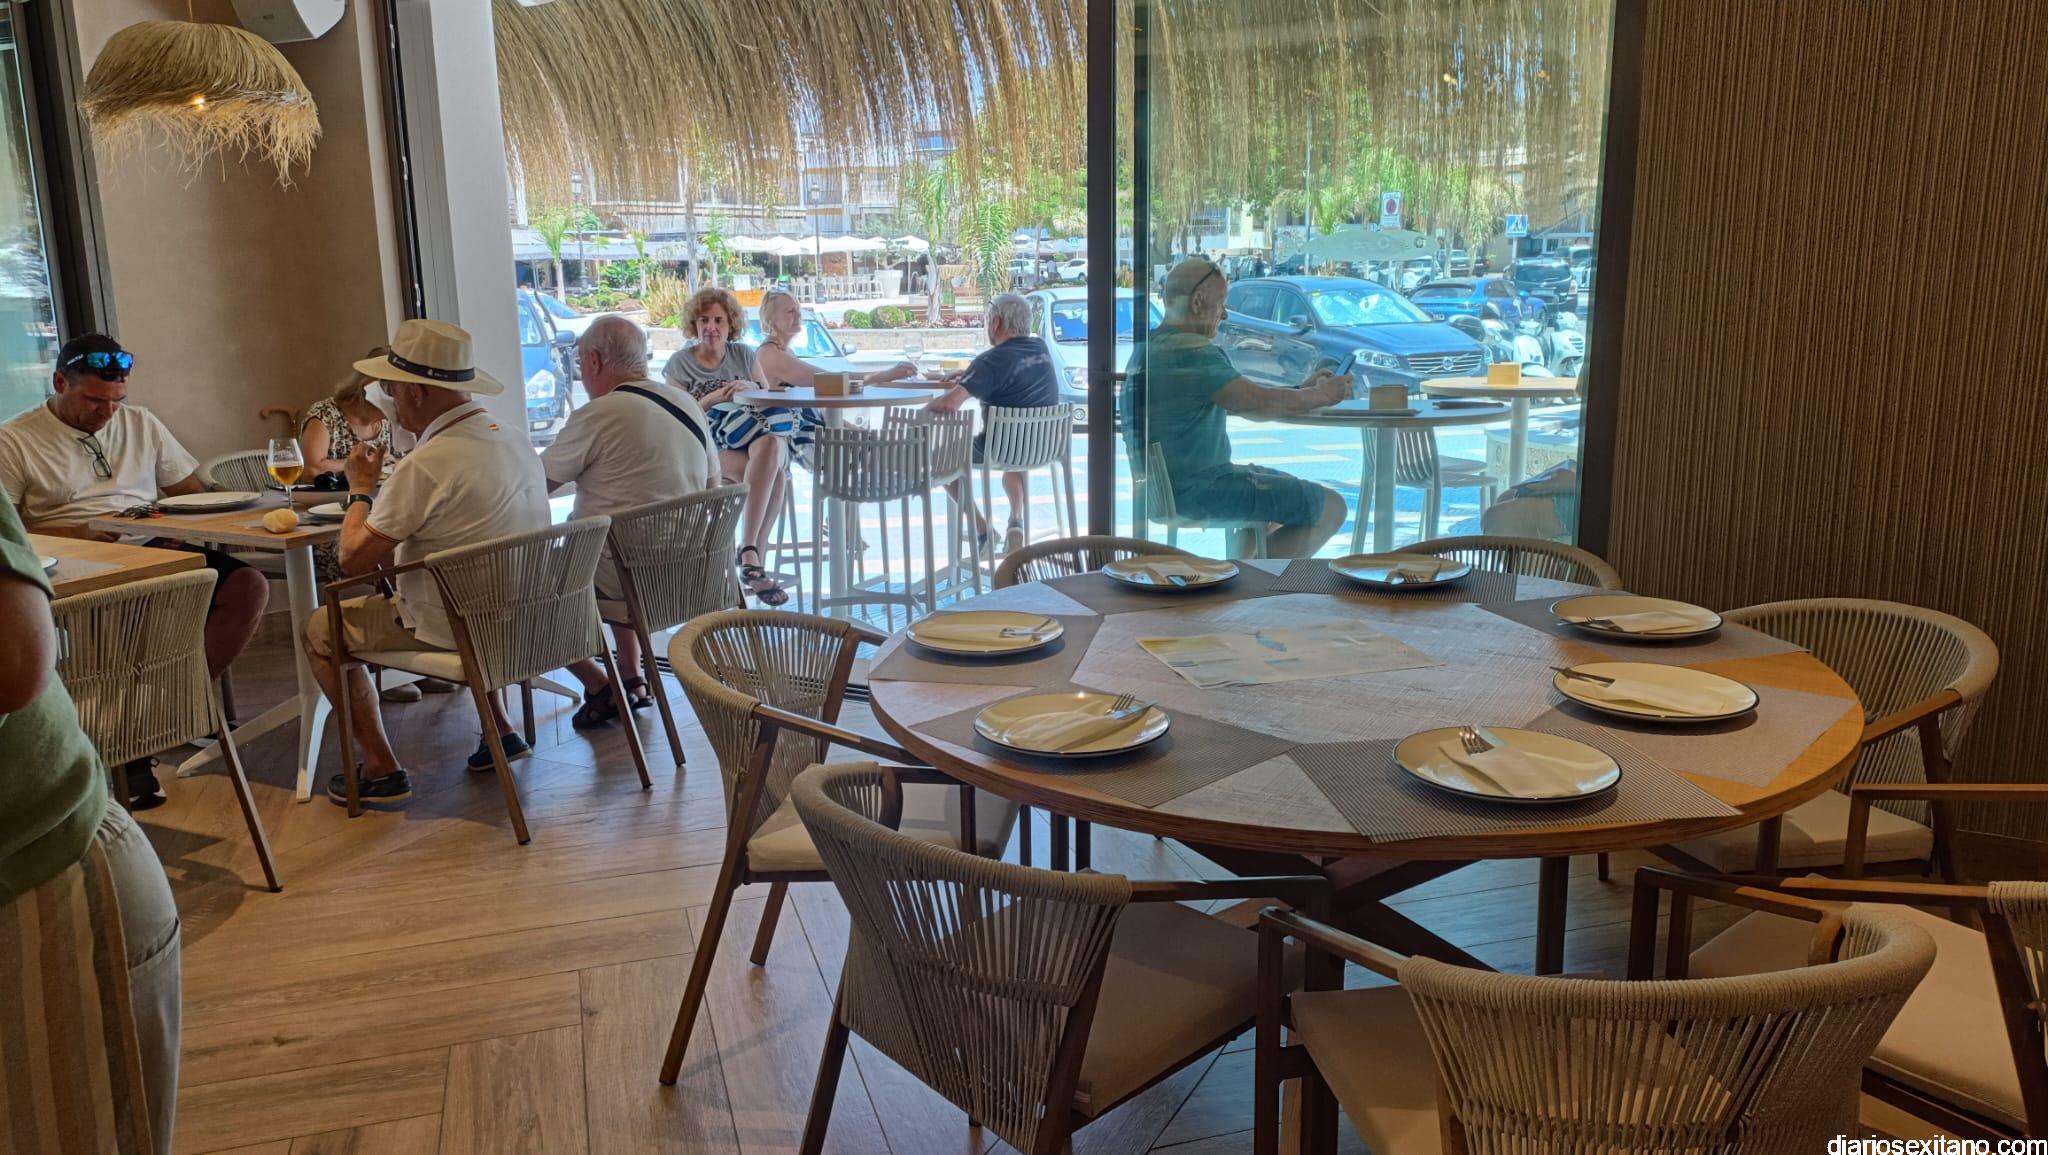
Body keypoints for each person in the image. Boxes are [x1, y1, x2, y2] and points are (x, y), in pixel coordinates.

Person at [0, 334, 269, 807]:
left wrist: (175, 525)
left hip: (150, 546)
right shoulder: (15, 439)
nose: (108, 412)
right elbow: (10, 530)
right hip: (75, 559)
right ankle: (132, 751)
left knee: (247, 586)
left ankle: (167, 710)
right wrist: (76, 534)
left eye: (116, 401)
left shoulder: (140, 422)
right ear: (60, 383)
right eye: (94, 400)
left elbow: (189, 492)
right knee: (121, 616)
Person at [0, 489, 183, 1152]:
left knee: (240, 586)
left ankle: (143, 737)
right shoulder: (26, 446)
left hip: (40, 867)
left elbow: (14, 658)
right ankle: (148, 734)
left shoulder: (140, 437)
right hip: (81, 586)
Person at [303, 319, 549, 804]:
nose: (390, 402)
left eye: (392, 390)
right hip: (527, 617)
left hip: (461, 629)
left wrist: (360, 489)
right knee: (471, 584)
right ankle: (500, 730)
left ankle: (381, 767)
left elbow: (351, 559)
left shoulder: (429, 462)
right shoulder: (513, 437)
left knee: (319, 629)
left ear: (415, 392)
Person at [541, 315, 713, 726]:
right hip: (689, 575)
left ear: (594, 361)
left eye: (581, 363)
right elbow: (713, 484)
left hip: (627, 578)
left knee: (521, 583)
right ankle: (632, 675)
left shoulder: (599, 414)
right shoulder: (686, 404)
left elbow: (534, 485)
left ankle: (601, 686)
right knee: (617, 538)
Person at [1120, 258, 1350, 558]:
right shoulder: (1192, 352)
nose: (1225, 314)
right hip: (1201, 489)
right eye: (1221, 303)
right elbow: (1259, 405)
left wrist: (1300, 392)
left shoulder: (1149, 348)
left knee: (1277, 502)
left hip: (1165, 491)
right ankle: (1251, 579)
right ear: (1198, 302)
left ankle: (1241, 574)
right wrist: (1322, 395)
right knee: (1332, 508)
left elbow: (1243, 396)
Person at [660, 287, 793, 605]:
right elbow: (677, 420)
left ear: (730, 324)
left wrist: (750, 386)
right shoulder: (680, 364)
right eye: (704, 320)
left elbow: (766, 400)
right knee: (775, 476)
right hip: (706, 451)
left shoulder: (744, 355)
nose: (711, 327)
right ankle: (753, 558)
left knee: (770, 445)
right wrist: (714, 397)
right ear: (694, 324)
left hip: (752, 441)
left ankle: (749, 554)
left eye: (718, 320)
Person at [926, 291, 1060, 556]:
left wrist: (922, 411)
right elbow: (1013, 369)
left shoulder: (989, 361)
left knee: (940, 459)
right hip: (1045, 446)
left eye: (988, 319)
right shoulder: (1040, 349)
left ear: (997, 323)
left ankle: (983, 530)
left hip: (1000, 449)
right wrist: (971, 374)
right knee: (1016, 455)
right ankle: (1016, 520)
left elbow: (949, 405)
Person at [298, 352, 392, 478]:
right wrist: (367, 461)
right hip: (332, 492)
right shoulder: (325, 415)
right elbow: (312, 470)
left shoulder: (390, 421)